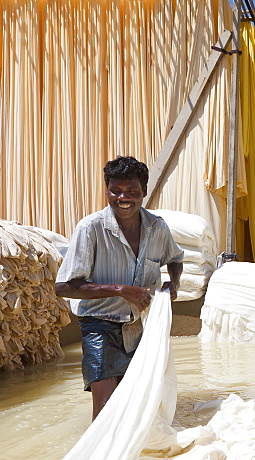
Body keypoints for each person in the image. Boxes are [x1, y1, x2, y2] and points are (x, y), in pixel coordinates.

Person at [56, 155, 184, 419]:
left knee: (137, 408)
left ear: (144, 192)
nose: (123, 198)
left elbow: (176, 259)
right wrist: (120, 290)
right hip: (99, 326)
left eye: (132, 191)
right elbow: (64, 287)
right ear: (107, 190)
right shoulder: (91, 228)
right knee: (105, 413)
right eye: (115, 190)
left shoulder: (157, 227)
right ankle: (100, 459)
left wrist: (174, 283)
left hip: (141, 329)